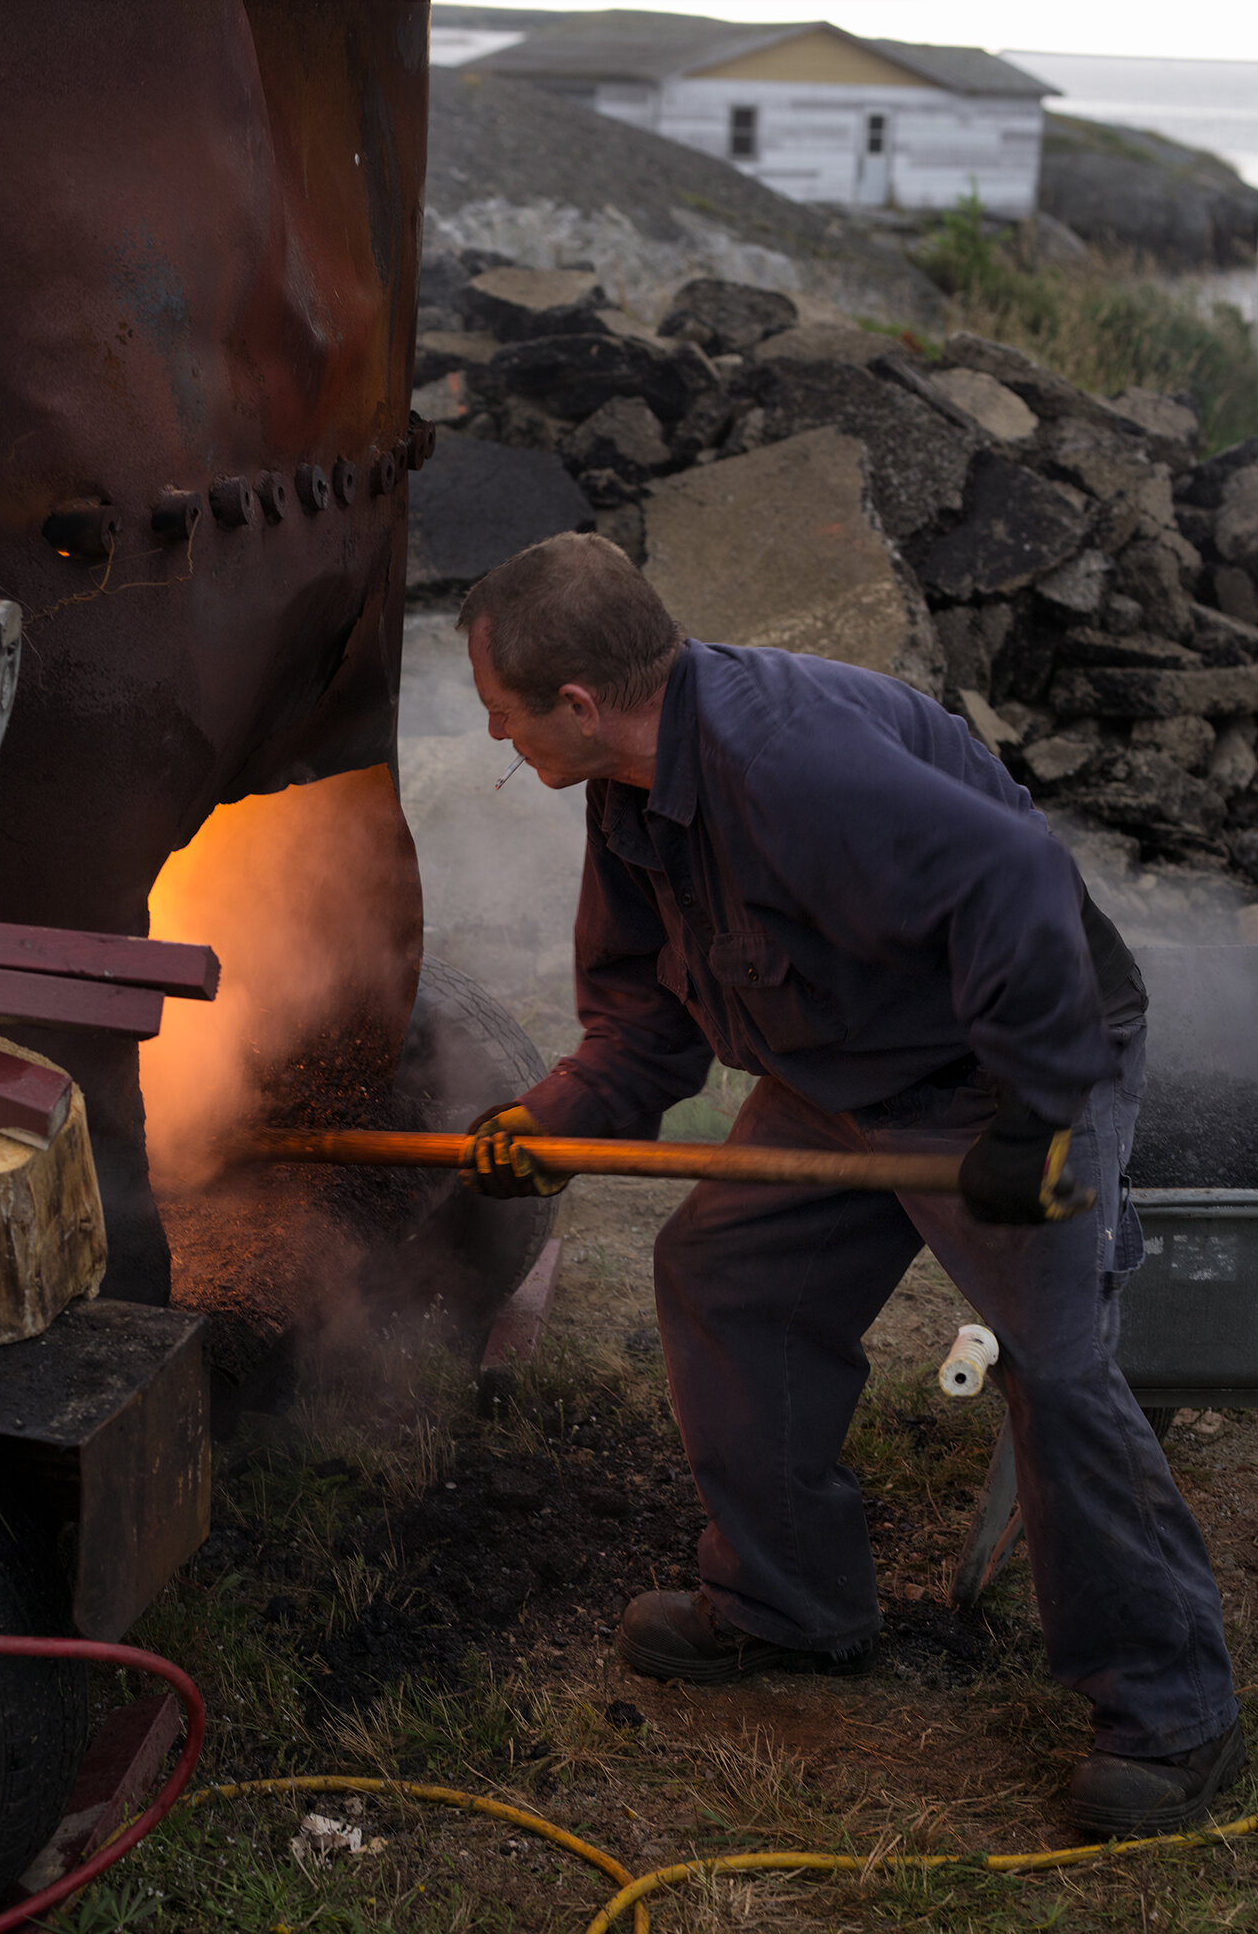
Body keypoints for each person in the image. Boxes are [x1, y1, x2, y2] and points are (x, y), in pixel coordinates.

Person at [456, 529, 1243, 1838]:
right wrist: (551, 1119)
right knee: (725, 1279)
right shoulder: (630, 784)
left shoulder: (791, 766)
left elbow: (1017, 881)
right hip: (838, 1071)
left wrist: (1036, 1112)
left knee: (1054, 1372)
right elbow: (643, 1017)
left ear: (578, 702)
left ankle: (1169, 1718)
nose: (494, 740)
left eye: (501, 714)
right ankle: (789, 1608)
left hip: (1002, 1068)